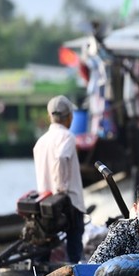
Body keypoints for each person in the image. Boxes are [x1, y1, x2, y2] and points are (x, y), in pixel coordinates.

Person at [33, 95, 86, 263]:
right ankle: (75, 275)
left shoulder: (41, 141)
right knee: (74, 242)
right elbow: (62, 158)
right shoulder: (68, 136)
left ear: (50, 117)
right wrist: (60, 189)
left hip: (45, 202)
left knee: (45, 243)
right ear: (70, 116)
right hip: (68, 200)